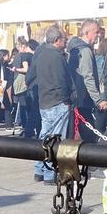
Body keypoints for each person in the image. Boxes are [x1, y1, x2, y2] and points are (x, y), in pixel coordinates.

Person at [27, 25, 72, 183]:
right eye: (64, 39)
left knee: (44, 136)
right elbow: (61, 80)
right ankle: (49, 174)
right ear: (57, 40)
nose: (66, 41)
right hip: (56, 100)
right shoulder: (56, 56)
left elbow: (31, 75)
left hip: (44, 99)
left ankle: (39, 169)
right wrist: (66, 99)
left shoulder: (40, 52)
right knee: (54, 139)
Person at [67, 19, 105, 142]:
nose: (98, 35)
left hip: (76, 97)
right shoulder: (85, 50)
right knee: (89, 136)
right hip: (83, 98)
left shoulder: (73, 49)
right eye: (96, 32)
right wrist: (98, 100)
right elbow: (88, 77)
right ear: (87, 33)